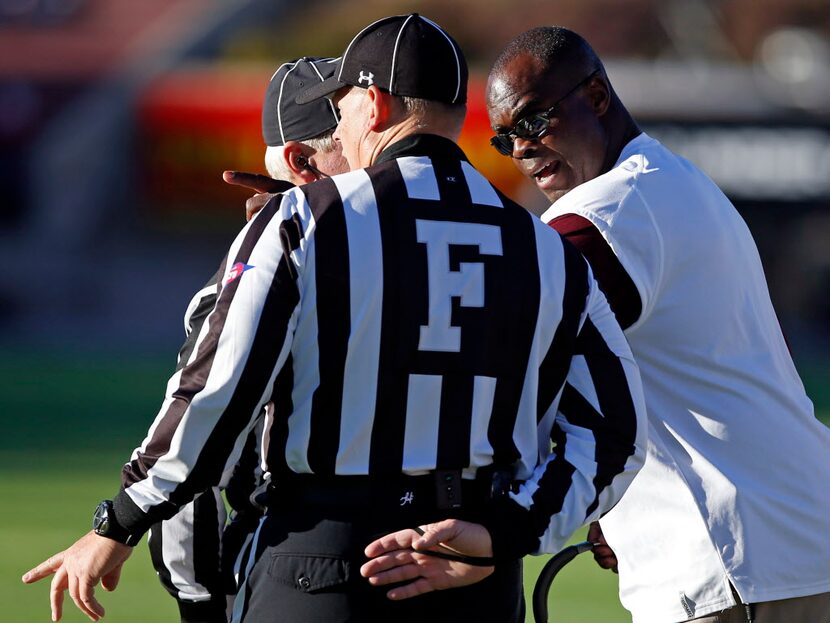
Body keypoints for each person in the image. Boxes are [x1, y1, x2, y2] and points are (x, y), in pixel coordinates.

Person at [22, 15, 647, 623]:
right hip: (472, 568)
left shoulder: (303, 219)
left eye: (343, 106)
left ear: (372, 105)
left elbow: (219, 391)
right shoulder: (545, 248)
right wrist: (506, 530)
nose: (341, 126)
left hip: (323, 559)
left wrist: (123, 519)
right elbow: (617, 431)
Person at [481, 25, 830, 623]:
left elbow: (498, 352)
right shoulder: (672, 182)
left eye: (534, 122)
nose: (521, 150)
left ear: (595, 97)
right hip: (785, 542)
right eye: (504, 137)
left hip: (736, 561)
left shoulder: (608, 211)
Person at [147, 56, 348, 623]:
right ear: (303, 161)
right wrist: (204, 603)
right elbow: (194, 440)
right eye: (355, 135)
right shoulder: (252, 287)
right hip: (283, 573)